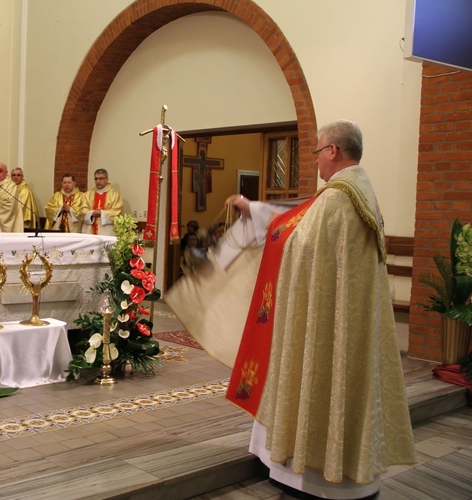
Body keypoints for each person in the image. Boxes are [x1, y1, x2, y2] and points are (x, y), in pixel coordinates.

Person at [174, 120, 415, 499]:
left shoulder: (338, 200)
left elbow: (293, 240)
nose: (317, 161)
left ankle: (314, 474)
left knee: (319, 378)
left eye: (318, 152)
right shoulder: (361, 193)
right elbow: (297, 219)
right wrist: (251, 208)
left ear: (333, 150)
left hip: (323, 323)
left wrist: (251, 222)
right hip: (352, 323)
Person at [79, 168, 124, 235]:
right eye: (96, 178)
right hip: (89, 231)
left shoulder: (115, 194)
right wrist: (92, 213)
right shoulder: (87, 194)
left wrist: (102, 213)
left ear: (107, 179)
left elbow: (117, 212)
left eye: (101, 178)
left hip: (107, 231)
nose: (98, 181)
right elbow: (82, 210)